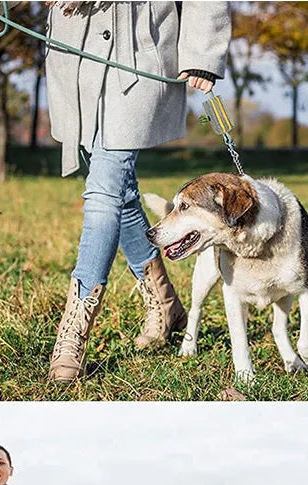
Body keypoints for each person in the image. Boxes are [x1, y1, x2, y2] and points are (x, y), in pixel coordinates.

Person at [45, 1, 231, 382]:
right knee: (120, 189)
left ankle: (74, 333)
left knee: (103, 191)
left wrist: (202, 47)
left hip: (139, 49)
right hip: (75, 47)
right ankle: (165, 305)